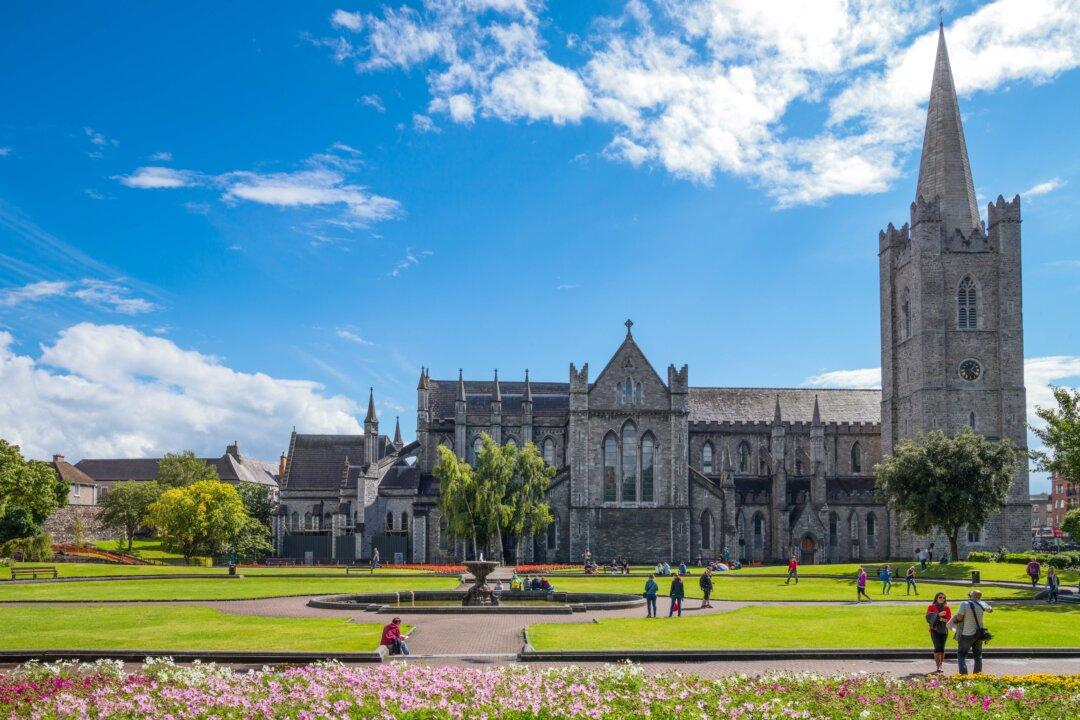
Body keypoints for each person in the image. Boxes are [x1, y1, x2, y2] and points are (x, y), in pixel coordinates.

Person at [952, 590, 992, 675]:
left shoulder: (964, 604)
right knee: (978, 655)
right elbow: (990, 610)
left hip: (967, 633)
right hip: (979, 634)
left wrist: (955, 619)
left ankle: (964, 676)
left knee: (961, 654)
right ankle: (977, 675)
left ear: (971, 596)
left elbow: (959, 618)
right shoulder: (982, 603)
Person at [925, 592, 952, 673]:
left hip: (944, 630)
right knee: (937, 647)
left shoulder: (946, 608)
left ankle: (941, 664)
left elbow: (949, 620)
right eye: (940, 597)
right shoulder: (931, 607)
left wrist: (941, 618)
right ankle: (938, 666)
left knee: (942, 648)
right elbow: (928, 618)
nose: (942, 599)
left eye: (944, 598)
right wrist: (939, 614)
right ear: (936, 598)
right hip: (934, 630)